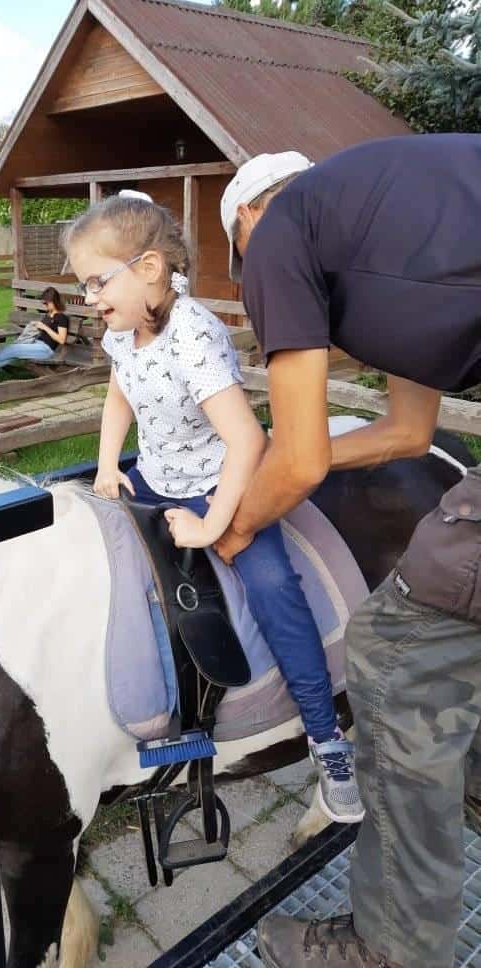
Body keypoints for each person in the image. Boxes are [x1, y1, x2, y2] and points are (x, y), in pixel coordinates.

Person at [219, 134, 481, 968]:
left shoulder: (280, 229)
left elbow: (299, 460)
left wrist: (235, 524)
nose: (252, 286)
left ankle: (391, 950)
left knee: (393, 646)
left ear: (248, 218)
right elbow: (407, 431)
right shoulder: (388, 213)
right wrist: (289, 461)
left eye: (237, 262)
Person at [64, 192, 364, 823]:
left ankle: (326, 736)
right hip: (154, 477)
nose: (89, 297)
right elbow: (121, 395)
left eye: (96, 281)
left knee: (276, 589)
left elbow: (247, 440)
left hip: (217, 481)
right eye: (85, 285)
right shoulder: (126, 330)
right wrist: (110, 463)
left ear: (148, 268)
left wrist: (214, 524)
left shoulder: (192, 335)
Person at [0, 286, 69, 373]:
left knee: (13, 349)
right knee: (11, 351)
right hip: (36, 343)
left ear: (54, 301)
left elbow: (61, 340)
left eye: (47, 303)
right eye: (44, 303)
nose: (45, 305)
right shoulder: (49, 314)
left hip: (46, 350)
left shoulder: (61, 318)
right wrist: (36, 326)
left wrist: (45, 327)